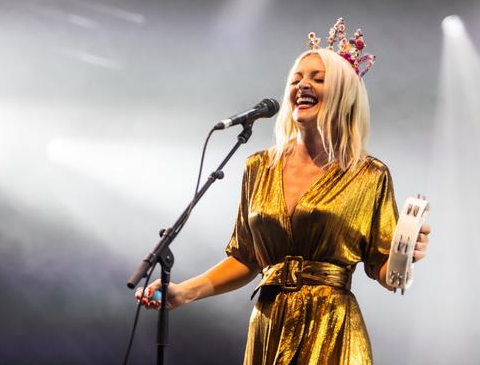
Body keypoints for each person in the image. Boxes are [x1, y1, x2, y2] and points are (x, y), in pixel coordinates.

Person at [135, 18, 431, 364]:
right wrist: (182, 292)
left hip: (331, 327)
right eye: (296, 79)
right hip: (270, 321)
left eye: (317, 79)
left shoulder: (369, 174)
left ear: (344, 94)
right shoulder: (259, 167)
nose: (302, 85)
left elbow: (385, 271)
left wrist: (405, 251)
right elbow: (247, 257)